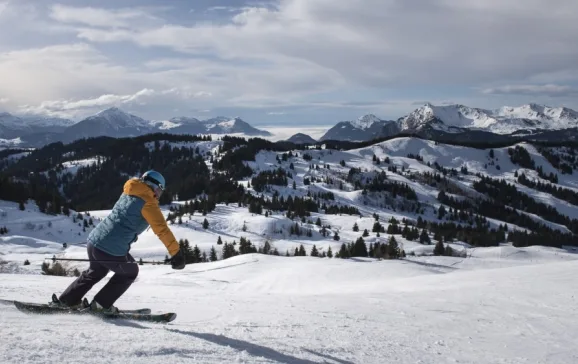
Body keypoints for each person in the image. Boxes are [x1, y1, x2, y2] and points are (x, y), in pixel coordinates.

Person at [52, 170, 185, 313]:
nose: (160, 193)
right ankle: (100, 305)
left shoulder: (129, 191)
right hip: (110, 248)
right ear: (154, 186)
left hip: (94, 242)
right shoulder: (148, 203)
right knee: (130, 271)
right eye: (160, 189)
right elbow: (162, 229)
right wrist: (176, 253)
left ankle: (67, 300)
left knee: (96, 271)